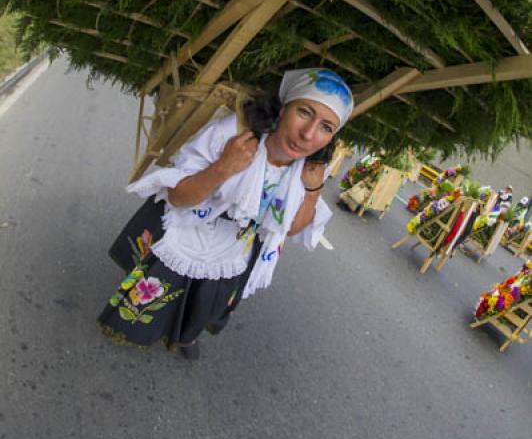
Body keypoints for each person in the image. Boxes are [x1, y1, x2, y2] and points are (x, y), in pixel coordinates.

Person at [98, 68, 353, 359]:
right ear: (283, 107)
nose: (308, 135)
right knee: (161, 284)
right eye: (304, 112)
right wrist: (224, 167)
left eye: (326, 127)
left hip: (238, 243)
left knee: (208, 298)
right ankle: (153, 321)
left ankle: (185, 333)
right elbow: (179, 197)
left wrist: (312, 188)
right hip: (194, 220)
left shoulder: (309, 167)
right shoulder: (232, 133)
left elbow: (291, 228)